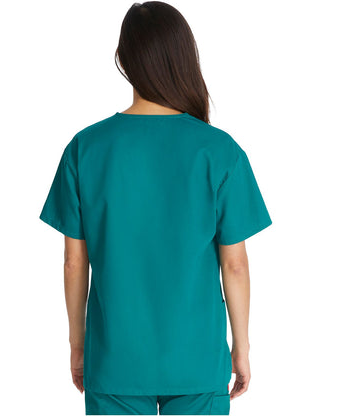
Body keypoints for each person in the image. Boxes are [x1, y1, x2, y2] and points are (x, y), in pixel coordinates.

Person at [39, 2, 272, 415]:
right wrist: (241, 347)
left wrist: (78, 345)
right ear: (184, 58)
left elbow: (75, 263)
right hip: (198, 359)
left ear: (124, 59)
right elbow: (234, 265)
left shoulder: (85, 149)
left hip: (115, 359)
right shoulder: (220, 151)